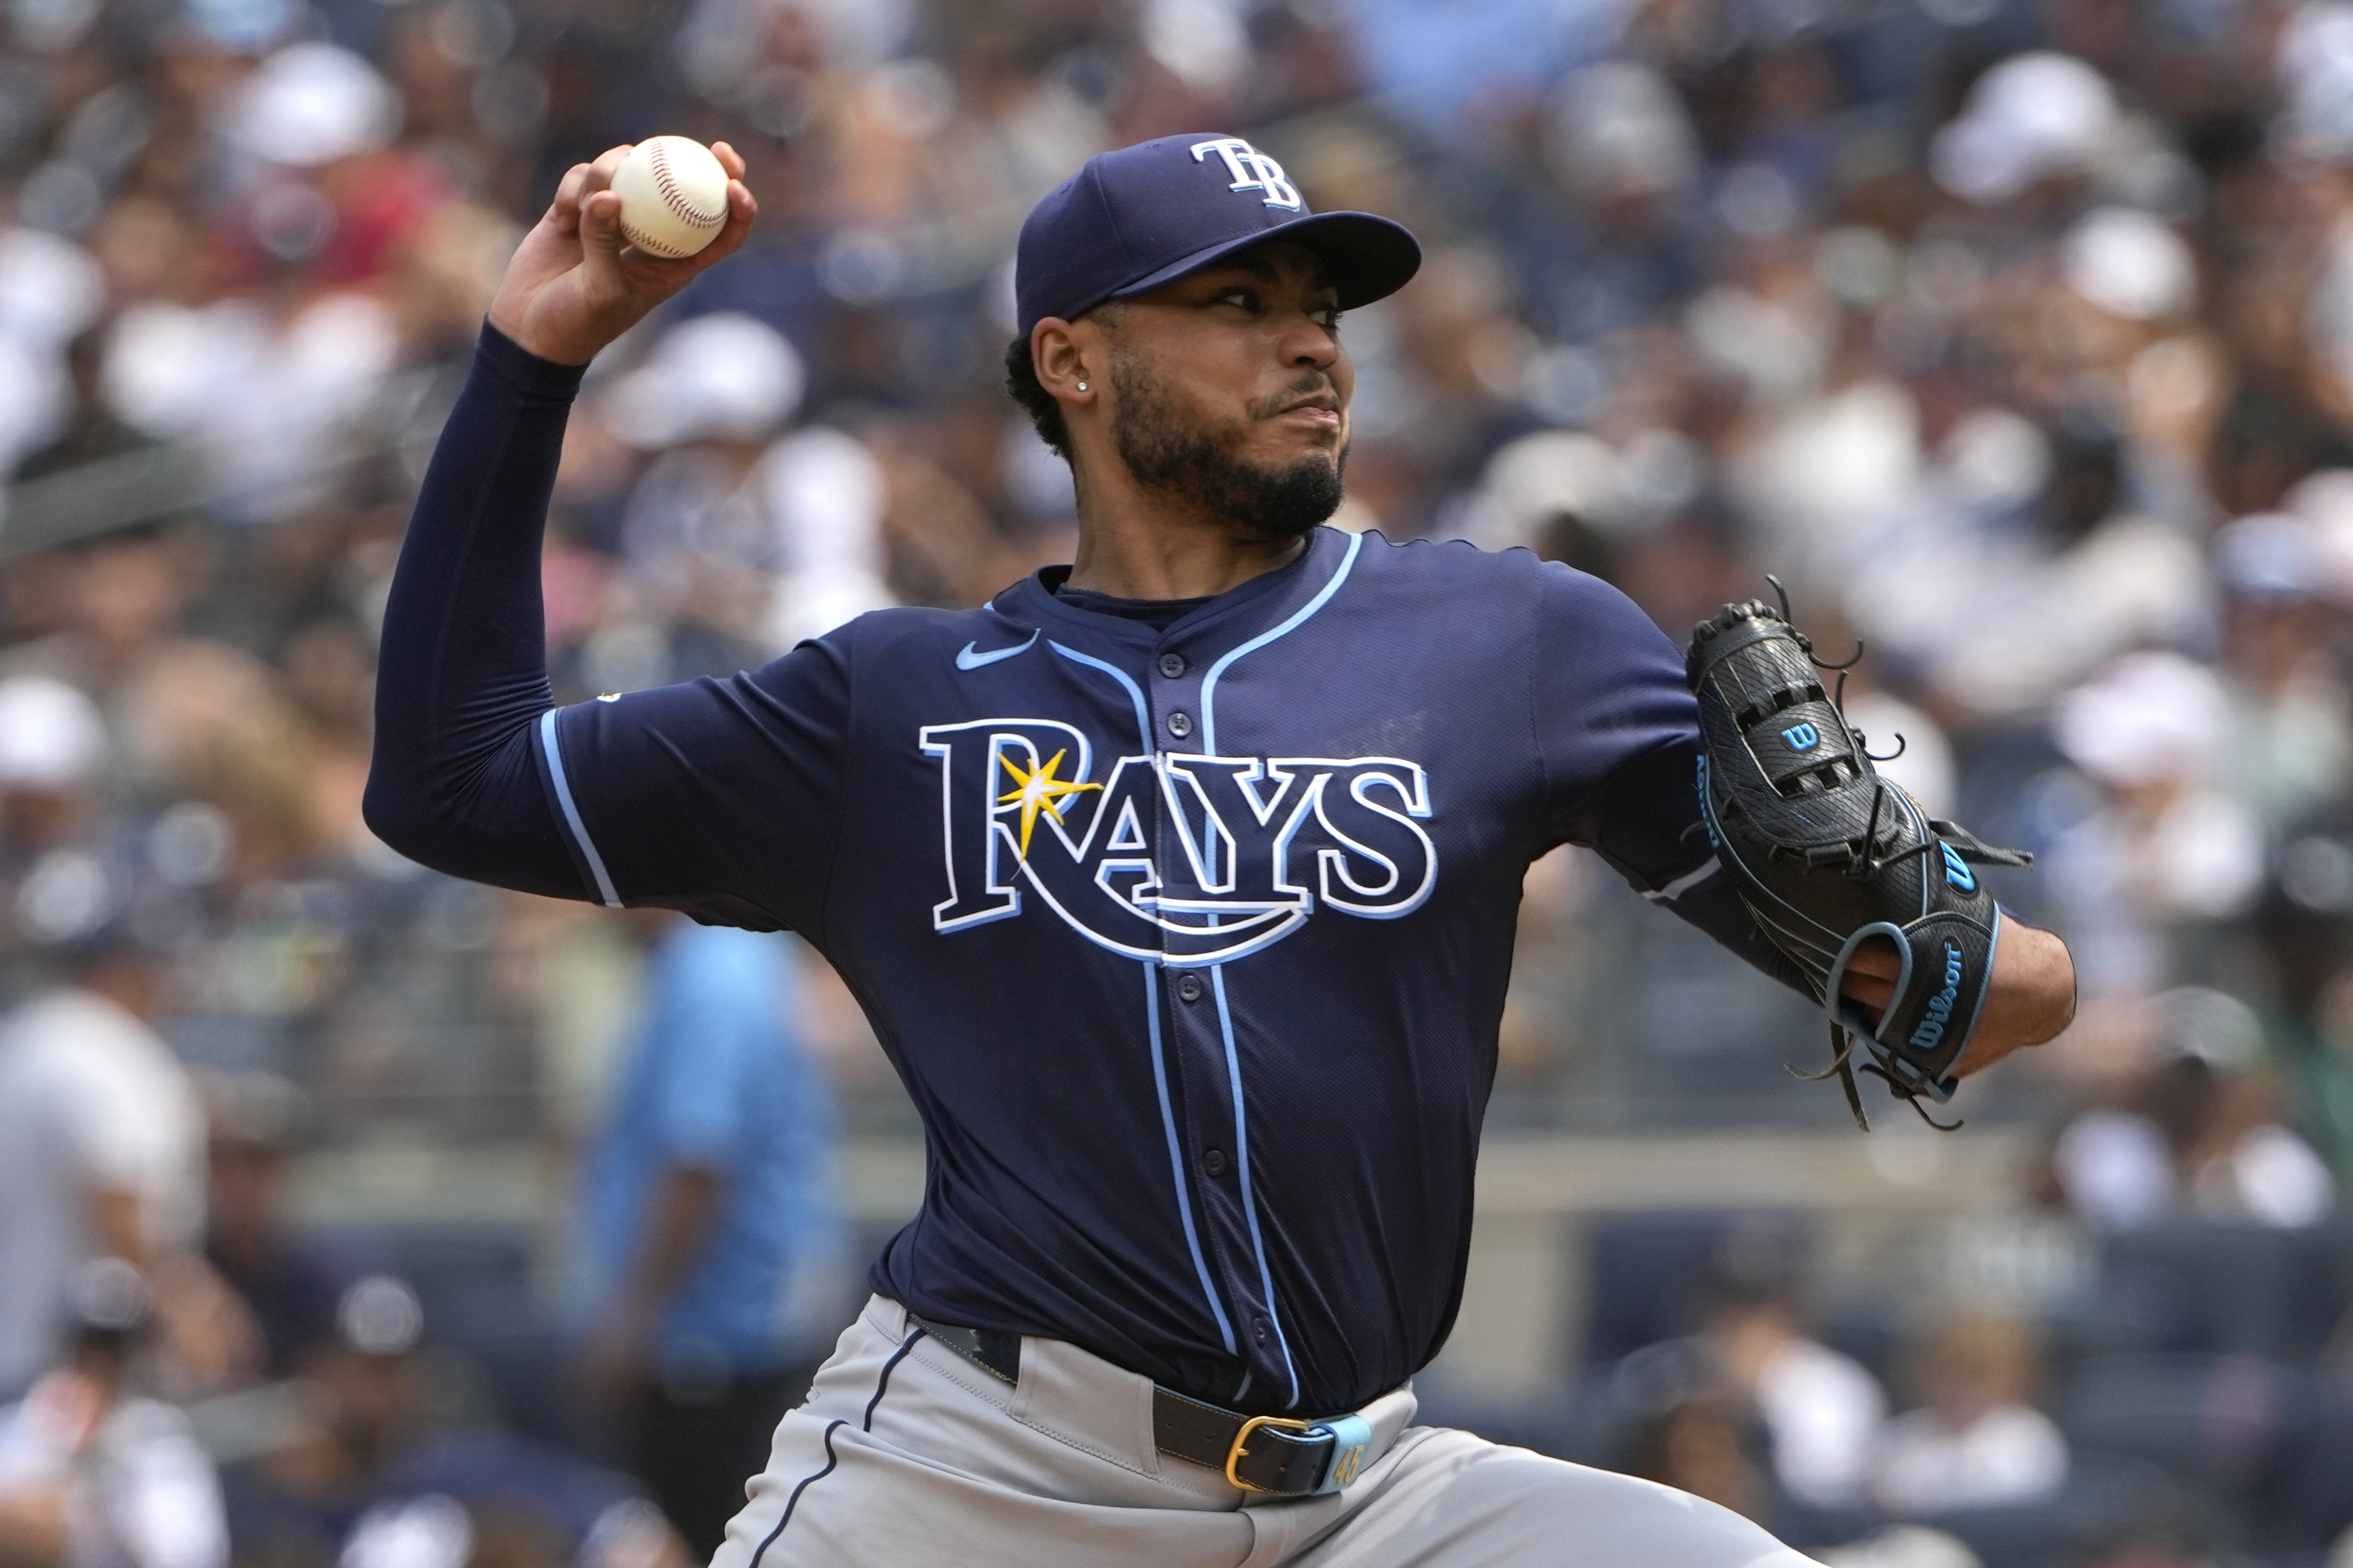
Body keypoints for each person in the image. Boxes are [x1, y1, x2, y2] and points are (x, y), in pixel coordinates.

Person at [363, 134, 2076, 1565]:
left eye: (1322, 309)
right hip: (983, 1472)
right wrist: (536, 357)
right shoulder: (886, 705)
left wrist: (1926, 928)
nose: (1310, 344)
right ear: (1072, 357)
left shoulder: (1511, 641)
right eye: (1236, 302)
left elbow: (1979, 1004)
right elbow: (453, 780)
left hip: (1369, 1496)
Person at [574, 912, 842, 1559]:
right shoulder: (729, 955)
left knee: (706, 1541)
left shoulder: (712, 974)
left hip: (718, 1355)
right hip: (727, 1340)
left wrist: (629, 1319)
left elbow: (699, 1162)